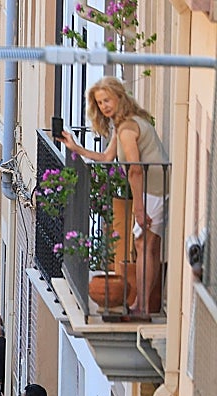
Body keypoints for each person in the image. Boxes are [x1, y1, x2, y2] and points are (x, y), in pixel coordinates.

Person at [59, 76, 167, 315]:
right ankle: (145, 303)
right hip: (155, 187)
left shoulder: (128, 129)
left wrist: (138, 207)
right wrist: (75, 148)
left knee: (144, 246)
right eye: (99, 103)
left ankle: (142, 305)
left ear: (119, 96)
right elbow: (108, 158)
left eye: (107, 100)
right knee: (148, 247)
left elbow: (135, 169)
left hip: (152, 189)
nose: (104, 106)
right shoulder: (126, 123)